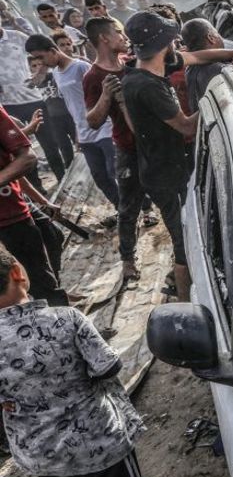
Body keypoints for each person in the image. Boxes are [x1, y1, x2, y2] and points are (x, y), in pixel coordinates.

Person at [0, 245, 169, 477]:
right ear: (18, 273)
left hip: (39, 450)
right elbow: (107, 367)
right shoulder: (66, 319)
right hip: (97, 441)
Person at [120, 12, 196, 302]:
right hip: (166, 177)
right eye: (172, 38)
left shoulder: (138, 72)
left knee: (185, 238)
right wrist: (219, 98)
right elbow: (187, 125)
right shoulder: (148, 86)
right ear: (164, 43)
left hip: (159, 169)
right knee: (184, 245)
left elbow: (196, 57)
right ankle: (187, 308)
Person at [83, 17, 149, 282]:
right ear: (104, 39)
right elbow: (93, 120)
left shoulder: (132, 64)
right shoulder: (94, 77)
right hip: (127, 148)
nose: (124, 37)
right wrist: (106, 95)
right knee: (128, 208)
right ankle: (127, 259)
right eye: (119, 33)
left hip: (151, 143)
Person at [24, 34, 119, 207]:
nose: (41, 62)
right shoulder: (57, 74)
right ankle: (124, 209)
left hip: (104, 127)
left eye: (41, 57)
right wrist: (77, 132)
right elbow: (71, 105)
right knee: (100, 177)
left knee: (116, 172)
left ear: (53, 50)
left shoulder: (80, 67)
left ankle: (145, 207)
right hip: (84, 134)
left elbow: (104, 94)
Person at [0, 108, 67, 306]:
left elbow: (24, 161)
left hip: (12, 216)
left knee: (42, 279)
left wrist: (43, 201)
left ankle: (60, 316)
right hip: (13, 215)